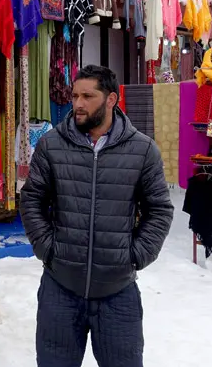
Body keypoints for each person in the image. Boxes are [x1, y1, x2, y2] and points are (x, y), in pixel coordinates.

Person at [20, 65, 173, 367]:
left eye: (88, 96)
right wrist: (47, 249)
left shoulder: (142, 150)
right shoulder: (52, 145)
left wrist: (134, 256)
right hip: (60, 289)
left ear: (111, 99)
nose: (78, 103)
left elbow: (159, 209)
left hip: (118, 293)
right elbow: (32, 199)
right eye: (75, 95)